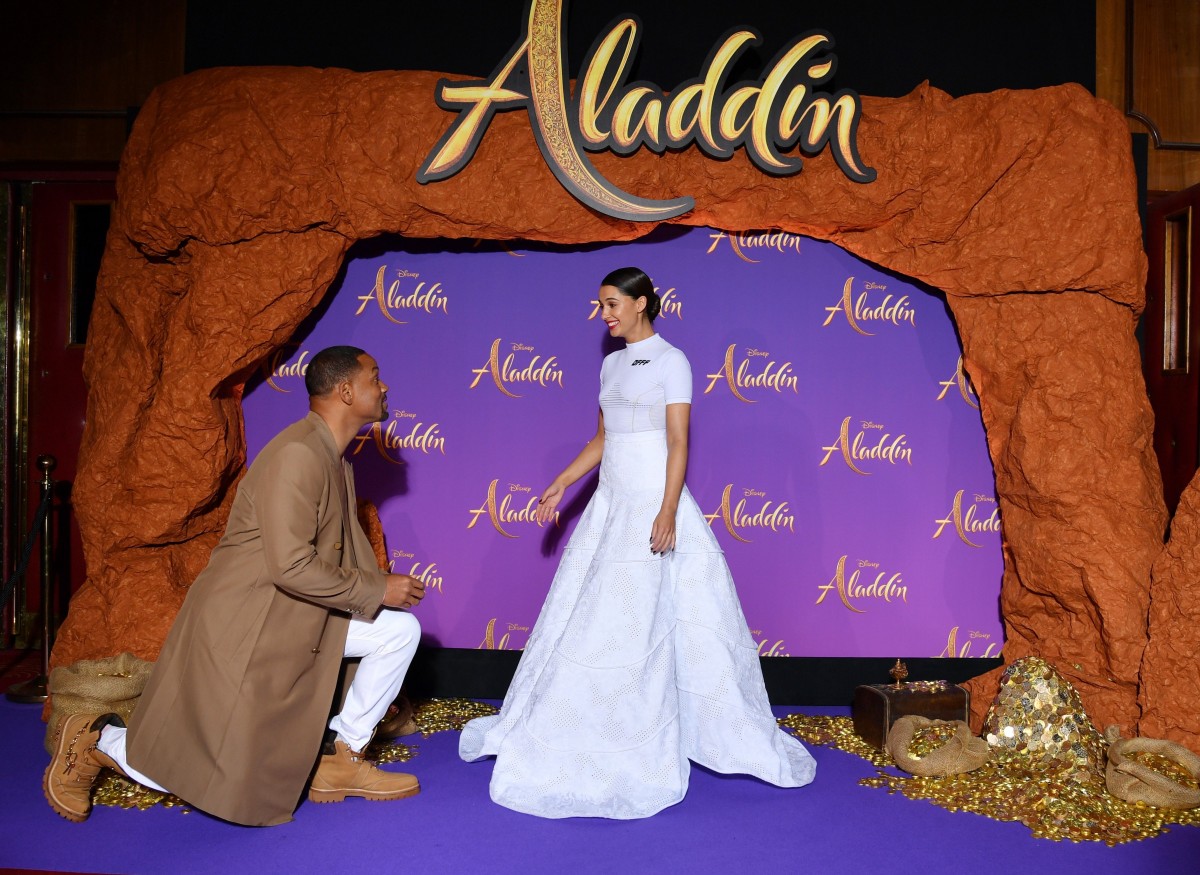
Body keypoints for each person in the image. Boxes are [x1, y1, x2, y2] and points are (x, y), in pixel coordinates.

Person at [459, 267, 816, 818]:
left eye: (610, 304)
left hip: (653, 503)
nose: (603, 315)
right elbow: (604, 437)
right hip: (609, 505)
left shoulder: (674, 362)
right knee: (598, 619)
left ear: (641, 303)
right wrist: (564, 479)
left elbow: (677, 442)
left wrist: (668, 508)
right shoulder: (609, 364)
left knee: (658, 618)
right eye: (600, 305)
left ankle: (664, 729)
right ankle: (586, 723)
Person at [44, 346, 426, 826]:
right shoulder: (298, 455)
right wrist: (377, 590)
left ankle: (340, 756)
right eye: (376, 376)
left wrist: (377, 592)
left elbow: (324, 563)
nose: (384, 385)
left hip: (293, 614)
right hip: (247, 624)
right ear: (346, 391)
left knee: (398, 632)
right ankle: (95, 741)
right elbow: (291, 567)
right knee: (192, 772)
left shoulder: (335, 459)